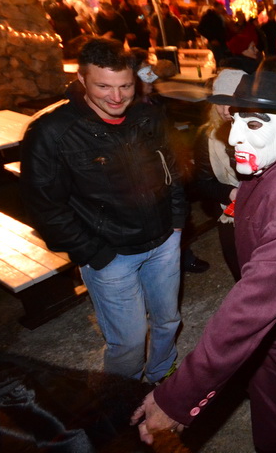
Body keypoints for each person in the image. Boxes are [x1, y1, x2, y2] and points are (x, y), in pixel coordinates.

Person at [132, 71, 276, 451]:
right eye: (235, 119)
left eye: (253, 124)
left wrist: (178, 398)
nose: (235, 136)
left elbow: (251, 308)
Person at [19, 36, 187, 384]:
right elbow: (45, 206)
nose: (116, 96)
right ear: (81, 80)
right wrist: (93, 252)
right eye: (103, 86)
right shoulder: (52, 131)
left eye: (125, 85)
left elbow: (172, 169)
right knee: (127, 341)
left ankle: (161, 372)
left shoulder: (146, 114)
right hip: (111, 255)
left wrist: (176, 223)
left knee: (168, 320)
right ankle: (119, 399)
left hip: (163, 242)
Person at [191, 69, 247, 281]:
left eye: (231, 102)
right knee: (240, 267)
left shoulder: (262, 129)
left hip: (267, 208)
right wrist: (230, 192)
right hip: (231, 212)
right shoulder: (208, 136)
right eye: (220, 102)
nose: (225, 110)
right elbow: (202, 183)